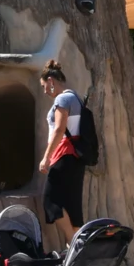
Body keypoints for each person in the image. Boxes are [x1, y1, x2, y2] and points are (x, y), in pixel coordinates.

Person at [36, 60, 87, 241]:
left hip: (64, 155)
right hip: (76, 157)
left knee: (50, 202)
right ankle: (78, 243)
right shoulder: (76, 98)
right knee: (73, 204)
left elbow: (59, 129)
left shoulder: (62, 99)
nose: (44, 91)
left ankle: (73, 241)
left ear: (51, 81)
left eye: (44, 86)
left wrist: (46, 157)